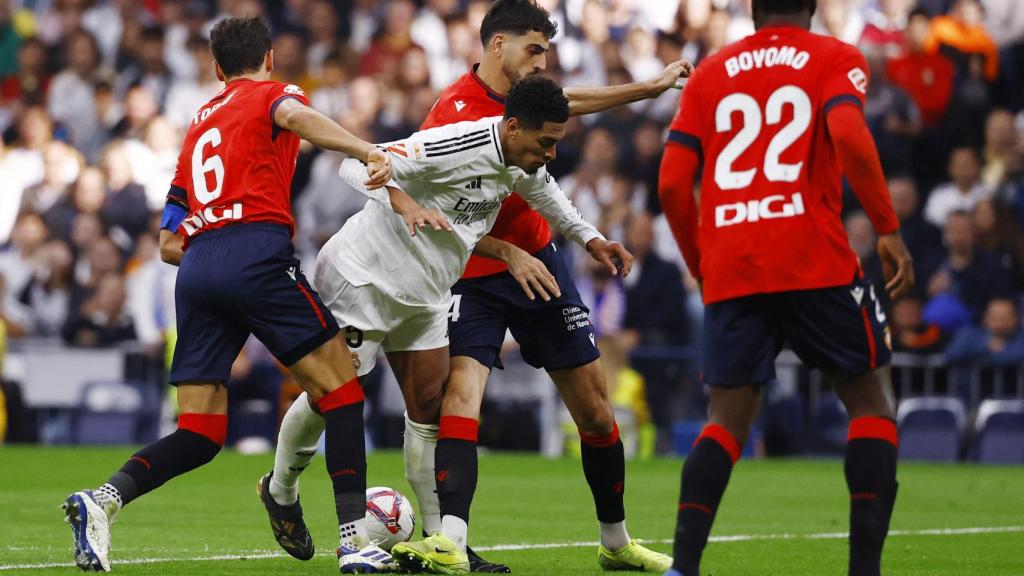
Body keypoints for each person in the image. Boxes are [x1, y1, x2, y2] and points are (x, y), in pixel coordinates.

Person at [262, 1, 692, 573]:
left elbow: (540, 179)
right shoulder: (456, 121)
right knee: (353, 394)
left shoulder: (528, 116)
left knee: (511, 407)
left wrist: (588, 236)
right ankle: (290, 489)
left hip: (484, 271)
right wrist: (410, 201)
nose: (543, 63)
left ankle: (470, 541)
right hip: (408, 274)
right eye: (533, 49)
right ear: (498, 46)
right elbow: (367, 164)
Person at [60, 16, 393, 574]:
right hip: (255, 250)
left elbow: (168, 240)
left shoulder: (197, 126)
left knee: (199, 430)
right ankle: (356, 543)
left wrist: (215, 258)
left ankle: (103, 501)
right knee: (343, 391)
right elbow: (295, 116)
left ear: (216, 68)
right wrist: (366, 151)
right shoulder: (273, 94)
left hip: (195, 268)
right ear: (269, 57)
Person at [657, 0, 915, 574]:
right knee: (871, 403)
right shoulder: (834, 56)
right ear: (814, 6)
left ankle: (683, 566)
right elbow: (847, 131)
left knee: (724, 421)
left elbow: (673, 182)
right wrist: (887, 228)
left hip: (733, 266)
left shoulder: (712, 73)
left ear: (753, 10)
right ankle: (864, 570)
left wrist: (703, 267)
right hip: (813, 259)